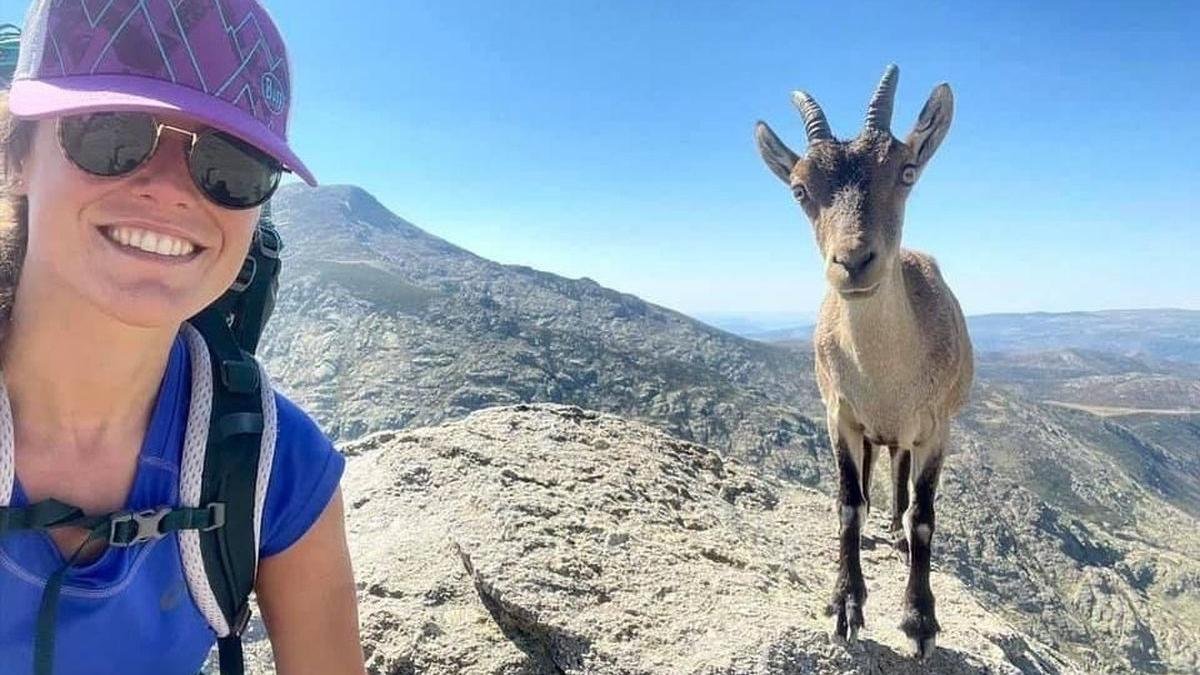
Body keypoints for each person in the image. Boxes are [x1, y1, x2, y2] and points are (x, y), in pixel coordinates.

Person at [0, 1, 365, 673]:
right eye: (111, 131)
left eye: (233, 162)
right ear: (17, 156)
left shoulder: (273, 466)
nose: (170, 191)